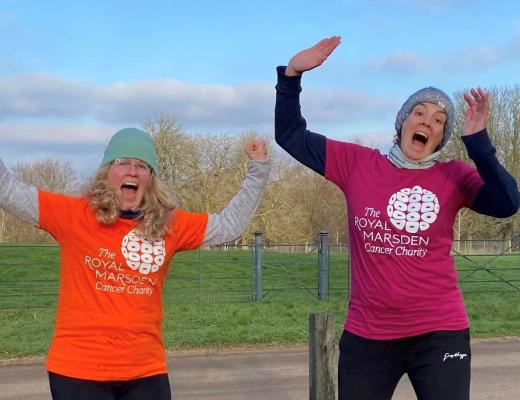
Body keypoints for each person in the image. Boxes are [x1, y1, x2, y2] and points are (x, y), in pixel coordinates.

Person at [275, 36, 520, 400]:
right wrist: (292, 75)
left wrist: (479, 143)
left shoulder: (454, 175)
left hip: (439, 332)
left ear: (440, 137)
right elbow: (291, 135)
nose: (427, 122)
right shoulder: (358, 164)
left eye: (439, 120)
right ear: (404, 121)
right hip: (369, 334)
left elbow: (507, 202)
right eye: (419, 113)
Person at [0, 127, 270, 400]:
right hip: (78, 371)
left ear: (150, 178)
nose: (132, 170)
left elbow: (228, 225)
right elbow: (7, 189)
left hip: (145, 370)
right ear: (106, 172)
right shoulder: (72, 215)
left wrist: (258, 170)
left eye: (142, 165)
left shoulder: (169, 225)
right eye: (123, 162)